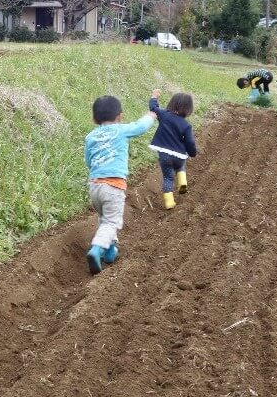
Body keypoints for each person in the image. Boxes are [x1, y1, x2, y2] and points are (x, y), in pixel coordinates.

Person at [83, 95, 156, 275]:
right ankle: (97, 248)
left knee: (104, 219)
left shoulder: (90, 136)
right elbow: (140, 127)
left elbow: (88, 160)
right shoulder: (121, 130)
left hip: (94, 185)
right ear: (120, 117)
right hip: (113, 185)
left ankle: (109, 252)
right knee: (112, 221)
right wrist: (152, 115)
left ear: (94, 119)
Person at [148, 89, 198, 210]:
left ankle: (169, 202)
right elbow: (190, 142)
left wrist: (154, 96)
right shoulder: (186, 125)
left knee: (168, 177)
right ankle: (182, 183)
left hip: (164, 154)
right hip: (179, 155)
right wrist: (192, 153)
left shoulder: (164, 115)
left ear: (172, 103)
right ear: (188, 109)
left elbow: (153, 108)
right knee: (180, 167)